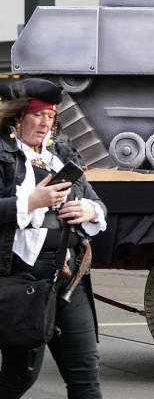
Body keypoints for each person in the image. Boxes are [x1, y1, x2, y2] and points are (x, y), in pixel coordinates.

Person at [0, 78, 107, 398]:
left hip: (67, 280)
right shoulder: (3, 155)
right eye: (38, 115)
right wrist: (31, 202)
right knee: (18, 379)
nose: (46, 124)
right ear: (18, 117)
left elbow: (99, 202)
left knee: (86, 379)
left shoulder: (60, 152)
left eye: (51, 116)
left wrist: (88, 210)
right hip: (22, 283)